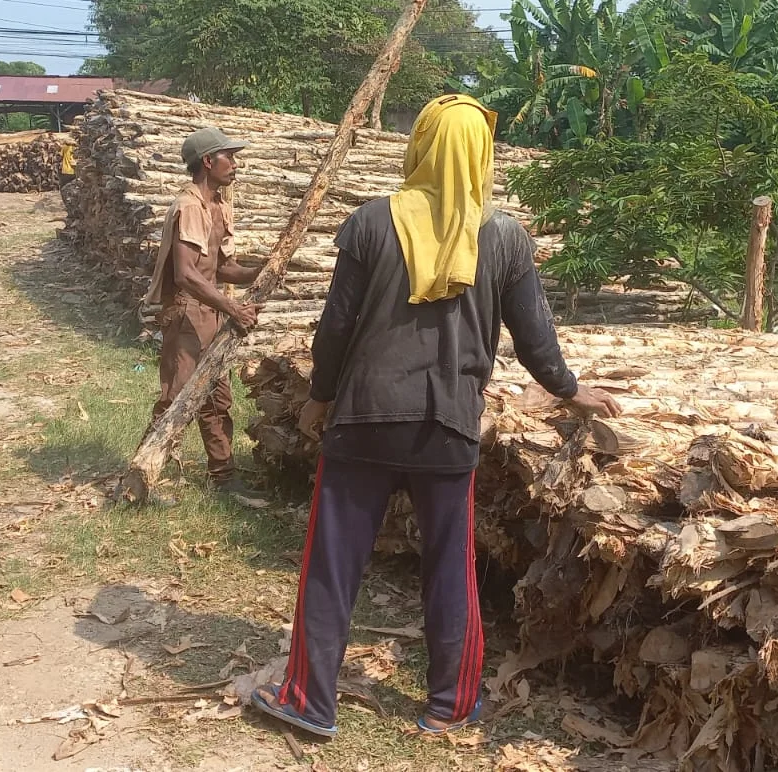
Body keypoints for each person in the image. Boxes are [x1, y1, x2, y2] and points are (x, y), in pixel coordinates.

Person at [250, 95, 622, 738]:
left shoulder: (370, 223)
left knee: (332, 564)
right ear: (482, 151)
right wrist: (568, 390)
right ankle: (449, 705)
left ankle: (310, 702)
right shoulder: (503, 236)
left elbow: (335, 327)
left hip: (364, 419)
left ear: (420, 144)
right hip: (449, 430)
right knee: (449, 567)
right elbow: (534, 334)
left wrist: (318, 397)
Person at [141, 127, 262, 491]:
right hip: (187, 311)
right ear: (208, 161)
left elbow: (221, 268)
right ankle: (143, 477)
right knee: (176, 400)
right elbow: (187, 274)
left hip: (210, 310)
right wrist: (234, 308)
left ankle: (223, 476)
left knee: (216, 396)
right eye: (229, 157)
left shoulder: (220, 206)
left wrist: (261, 270)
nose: (235, 164)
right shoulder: (189, 206)